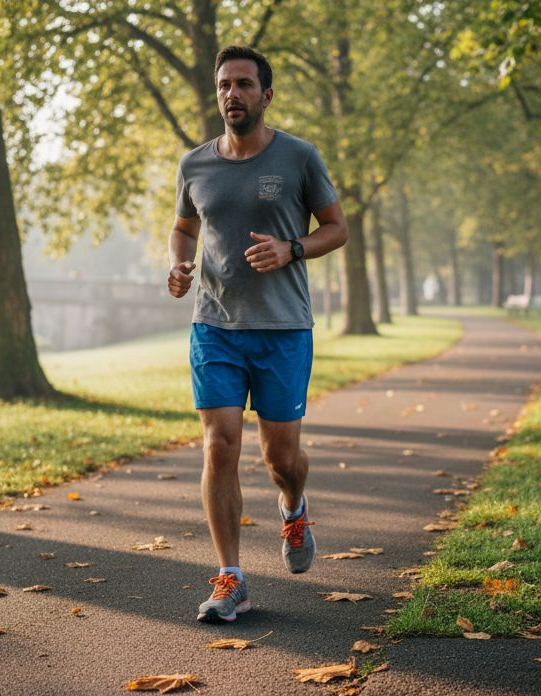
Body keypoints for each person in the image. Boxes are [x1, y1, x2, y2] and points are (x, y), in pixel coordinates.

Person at [167, 45, 347, 624]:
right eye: (224, 85)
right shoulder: (195, 164)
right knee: (219, 444)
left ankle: (294, 507)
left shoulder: (298, 157)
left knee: (281, 456)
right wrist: (177, 264)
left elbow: (337, 228)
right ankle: (232, 578)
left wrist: (292, 248)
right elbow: (183, 227)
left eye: (244, 84)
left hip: (283, 328)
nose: (232, 94)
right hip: (215, 326)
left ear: (265, 95)